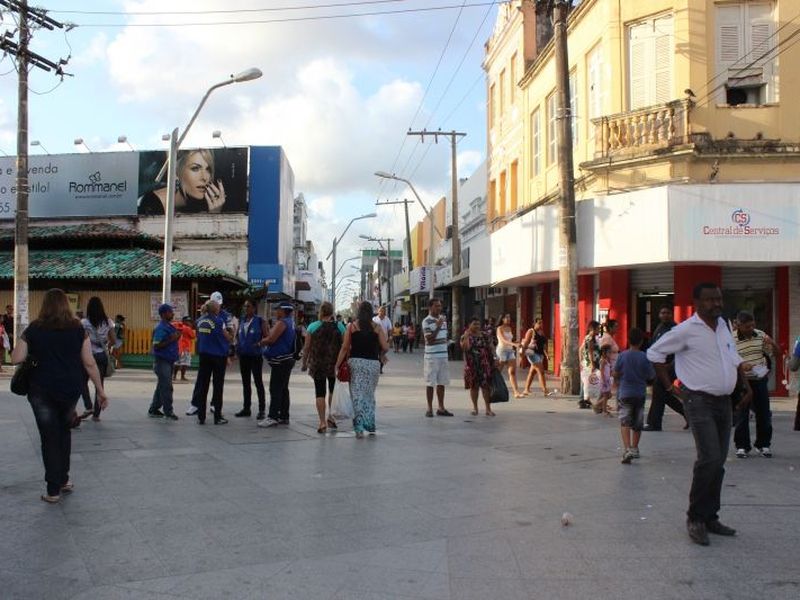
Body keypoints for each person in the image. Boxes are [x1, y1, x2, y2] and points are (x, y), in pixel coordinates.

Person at [647, 283, 752, 546]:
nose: (716, 303)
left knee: (718, 462)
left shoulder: (724, 326)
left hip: (724, 402)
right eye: (710, 300)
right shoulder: (684, 331)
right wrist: (670, 386)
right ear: (697, 302)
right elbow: (655, 353)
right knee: (709, 458)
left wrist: (744, 381)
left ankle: (710, 517)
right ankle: (695, 518)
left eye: (718, 298)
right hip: (699, 401)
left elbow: (732, 355)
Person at [11, 288, 108, 503]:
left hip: (40, 390)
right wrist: (100, 392)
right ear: (66, 305)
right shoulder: (77, 328)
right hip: (70, 389)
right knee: (64, 432)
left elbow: (16, 358)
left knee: (49, 437)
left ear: (44, 305)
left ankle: (53, 490)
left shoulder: (35, 328)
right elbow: (89, 363)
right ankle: (63, 479)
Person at [336, 301, 388, 437]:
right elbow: (386, 346)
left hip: (356, 364)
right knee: (369, 395)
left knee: (357, 395)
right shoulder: (377, 327)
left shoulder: (352, 327)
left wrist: (337, 364)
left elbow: (345, 347)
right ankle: (370, 425)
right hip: (373, 365)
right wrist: (381, 355)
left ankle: (359, 428)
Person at [733, 311, 781, 458]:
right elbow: (728, 360)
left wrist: (772, 343)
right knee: (742, 414)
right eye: (747, 327)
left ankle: (763, 445)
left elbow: (776, 354)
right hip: (742, 381)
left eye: (753, 325)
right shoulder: (731, 338)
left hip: (759, 380)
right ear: (739, 325)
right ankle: (742, 446)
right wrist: (741, 365)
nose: (751, 329)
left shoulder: (760, 335)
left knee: (764, 413)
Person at [138, 149, 227, 215]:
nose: (204, 178)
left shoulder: (206, 206)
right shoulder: (152, 203)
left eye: (208, 169)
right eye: (195, 168)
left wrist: (214, 215)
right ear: (176, 172)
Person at [302, 302, 345, 433]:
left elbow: (307, 347)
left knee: (319, 392)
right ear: (332, 313)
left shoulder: (312, 327)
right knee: (332, 390)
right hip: (334, 365)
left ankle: (322, 422)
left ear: (320, 312)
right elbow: (345, 346)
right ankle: (330, 416)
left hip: (318, 364)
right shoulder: (340, 327)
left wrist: (304, 363)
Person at [614, 328, 655, 463]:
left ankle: (627, 449)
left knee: (625, 421)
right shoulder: (644, 357)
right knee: (637, 422)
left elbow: (616, 373)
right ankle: (635, 447)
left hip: (625, 392)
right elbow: (650, 375)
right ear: (642, 341)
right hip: (639, 393)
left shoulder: (622, 356)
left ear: (628, 340)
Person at [645, 305, 688, 431]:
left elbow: (680, 349)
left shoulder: (675, 329)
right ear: (659, 315)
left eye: (668, 313)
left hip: (670, 366)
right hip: (659, 366)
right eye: (662, 313)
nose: (665, 315)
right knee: (663, 393)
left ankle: (654, 423)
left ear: (672, 314)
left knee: (659, 390)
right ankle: (688, 414)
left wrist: (672, 364)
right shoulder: (659, 328)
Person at [191, 299, 233, 425]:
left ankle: (201, 416)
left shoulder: (199, 321)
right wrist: (233, 333)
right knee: (218, 386)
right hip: (218, 356)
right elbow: (228, 337)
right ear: (215, 309)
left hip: (204, 356)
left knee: (203, 386)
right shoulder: (219, 321)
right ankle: (218, 416)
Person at [259, 302, 297, 428]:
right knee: (283, 388)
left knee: (275, 388)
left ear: (283, 311)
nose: (276, 311)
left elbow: (271, 339)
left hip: (280, 361)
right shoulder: (291, 322)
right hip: (287, 360)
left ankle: (273, 416)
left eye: (278, 309)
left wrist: (260, 343)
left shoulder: (283, 322)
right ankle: (284, 416)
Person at [79, 297, 116, 422]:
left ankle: (88, 406)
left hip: (87, 355)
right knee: (99, 384)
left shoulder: (84, 323)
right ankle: (96, 414)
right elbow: (114, 340)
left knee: (82, 381)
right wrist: (106, 346)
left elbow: (80, 339)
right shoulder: (108, 322)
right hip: (101, 356)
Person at [234, 300, 269, 420]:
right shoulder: (242, 320)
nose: (246, 308)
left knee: (258, 382)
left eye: (248, 306)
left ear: (254, 308)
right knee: (246, 383)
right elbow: (238, 336)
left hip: (255, 356)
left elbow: (267, 337)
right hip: (243, 356)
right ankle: (246, 408)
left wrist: (259, 344)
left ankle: (261, 409)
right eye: (244, 306)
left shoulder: (260, 321)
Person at [148, 304, 180, 420]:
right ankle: (168, 411)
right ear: (163, 314)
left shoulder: (168, 326)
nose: (172, 314)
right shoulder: (161, 328)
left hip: (168, 361)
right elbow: (156, 345)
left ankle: (154, 409)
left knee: (161, 386)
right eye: (170, 312)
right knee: (166, 387)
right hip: (162, 361)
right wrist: (172, 338)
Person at [422, 298, 453, 417]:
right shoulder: (426, 321)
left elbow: (443, 337)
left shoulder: (443, 320)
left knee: (442, 382)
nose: (439, 308)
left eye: (440, 306)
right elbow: (429, 340)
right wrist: (438, 326)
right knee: (430, 383)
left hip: (443, 356)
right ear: (430, 307)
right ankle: (429, 408)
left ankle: (441, 407)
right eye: (436, 306)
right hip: (432, 357)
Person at [461, 317, 496, 416]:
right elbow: (465, 348)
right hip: (472, 365)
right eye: (474, 324)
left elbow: (491, 347)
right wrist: (467, 336)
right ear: (469, 325)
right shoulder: (465, 336)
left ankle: (488, 409)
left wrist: (496, 358)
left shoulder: (485, 335)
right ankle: (475, 408)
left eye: (478, 324)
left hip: (485, 364)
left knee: (486, 387)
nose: (477, 326)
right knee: (474, 387)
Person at [521, 318, 555, 397]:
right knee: (541, 371)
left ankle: (526, 389)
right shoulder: (531, 331)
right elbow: (525, 343)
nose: (541, 325)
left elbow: (543, 346)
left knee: (532, 373)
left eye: (541, 323)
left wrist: (546, 355)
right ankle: (545, 390)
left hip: (540, 354)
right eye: (539, 323)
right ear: (534, 324)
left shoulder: (541, 332)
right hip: (533, 354)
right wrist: (522, 354)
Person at [496, 314, 523, 398]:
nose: (508, 319)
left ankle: (516, 392)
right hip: (502, 351)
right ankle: (492, 387)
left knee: (512, 372)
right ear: (502, 319)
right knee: (498, 372)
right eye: (506, 317)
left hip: (510, 351)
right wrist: (514, 344)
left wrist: (516, 342)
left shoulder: (510, 328)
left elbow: (510, 339)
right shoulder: (499, 328)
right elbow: (503, 340)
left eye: (509, 317)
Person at [579, 320, 601, 409]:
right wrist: (592, 364)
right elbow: (590, 352)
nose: (599, 330)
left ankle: (583, 400)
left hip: (586, 362)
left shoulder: (587, 337)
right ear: (593, 329)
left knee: (585, 381)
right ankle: (585, 400)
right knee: (587, 382)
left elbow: (580, 349)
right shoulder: (590, 339)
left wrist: (581, 360)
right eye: (598, 328)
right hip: (590, 363)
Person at [174, 316, 196, 382]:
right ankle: (182, 376)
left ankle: (174, 376)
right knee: (185, 363)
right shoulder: (188, 328)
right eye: (188, 321)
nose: (190, 323)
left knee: (177, 362)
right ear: (184, 322)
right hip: (186, 348)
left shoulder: (177, 327)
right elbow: (193, 336)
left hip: (178, 347)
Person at [373, 306, 392, 372]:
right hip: (375, 340)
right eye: (380, 311)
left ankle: (380, 368)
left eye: (383, 311)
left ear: (385, 312)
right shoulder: (374, 319)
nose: (381, 312)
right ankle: (376, 367)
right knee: (376, 354)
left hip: (384, 340)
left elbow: (389, 329)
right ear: (378, 311)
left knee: (382, 354)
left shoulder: (387, 319)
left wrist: (390, 337)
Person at [596, 345, 614, 416]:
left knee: (607, 395)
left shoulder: (607, 360)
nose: (610, 354)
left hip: (607, 380)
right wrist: (603, 380)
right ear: (604, 353)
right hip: (604, 380)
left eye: (610, 352)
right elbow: (602, 371)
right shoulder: (603, 361)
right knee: (606, 396)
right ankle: (602, 408)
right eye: (609, 352)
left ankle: (600, 407)